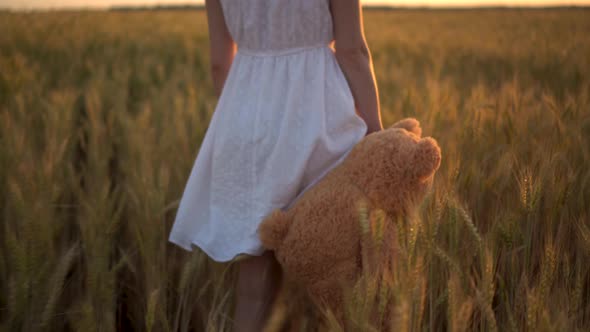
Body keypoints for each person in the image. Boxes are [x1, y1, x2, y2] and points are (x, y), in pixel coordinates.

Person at [168, 0, 383, 330]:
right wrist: (376, 134)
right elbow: (352, 51)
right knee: (341, 256)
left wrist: (243, 115)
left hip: (247, 117)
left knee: (255, 270)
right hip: (319, 116)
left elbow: (218, 64)